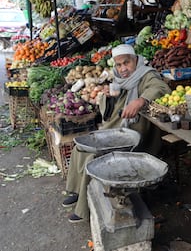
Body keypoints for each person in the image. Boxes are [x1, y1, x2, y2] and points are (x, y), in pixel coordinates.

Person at [62, 44, 171, 223]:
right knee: (79, 149)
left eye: (126, 63)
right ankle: (78, 191)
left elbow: (160, 88)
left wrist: (140, 100)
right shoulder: (118, 79)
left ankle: (83, 209)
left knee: (93, 159)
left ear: (135, 60)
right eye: (119, 65)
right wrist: (108, 97)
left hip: (138, 134)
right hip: (117, 130)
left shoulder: (147, 75)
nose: (123, 69)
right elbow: (109, 113)